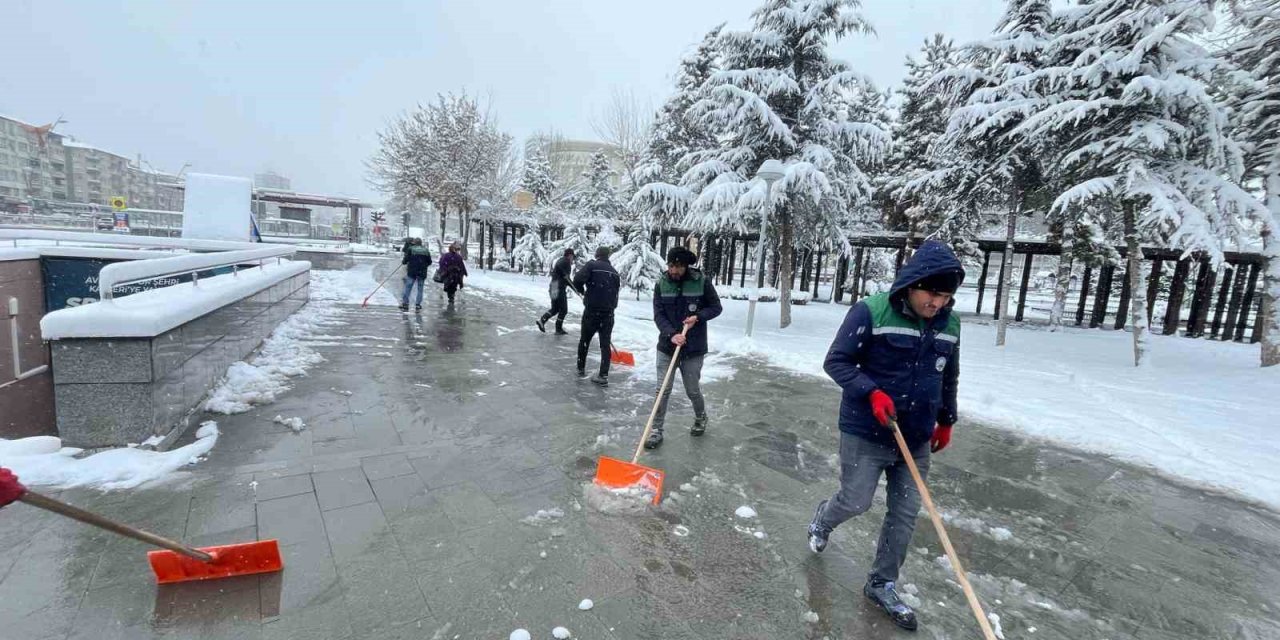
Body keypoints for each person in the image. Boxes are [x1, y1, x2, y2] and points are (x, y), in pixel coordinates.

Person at [806, 239, 964, 631]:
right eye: (932, 293)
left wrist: (946, 419)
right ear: (912, 284)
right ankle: (823, 520)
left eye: (945, 297)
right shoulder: (871, 311)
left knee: (905, 514)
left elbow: (948, 374)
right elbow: (837, 361)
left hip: (915, 436)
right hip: (867, 431)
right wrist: (871, 391)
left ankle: (882, 582)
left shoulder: (950, 323)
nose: (937, 303)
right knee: (856, 501)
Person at [645, 246, 722, 449]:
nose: (674, 271)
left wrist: (699, 317)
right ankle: (656, 430)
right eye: (671, 266)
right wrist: (672, 334)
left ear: (686, 266)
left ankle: (700, 417)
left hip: (693, 349)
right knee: (662, 390)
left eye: (678, 267)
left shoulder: (701, 282)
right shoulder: (661, 284)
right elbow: (658, 314)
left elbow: (716, 307)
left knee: (692, 390)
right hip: (666, 347)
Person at [572, 246, 621, 385]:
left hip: (592, 311)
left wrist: (583, 292)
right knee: (605, 344)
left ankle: (581, 368)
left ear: (597, 254)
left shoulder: (592, 265)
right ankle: (603, 375)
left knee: (585, 340)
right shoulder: (615, 272)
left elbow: (577, 280)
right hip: (608, 314)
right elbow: (615, 295)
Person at [537, 248, 578, 335]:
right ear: (569, 255)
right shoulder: (566, 262)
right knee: (563, 310)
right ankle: (558, 329)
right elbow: (567, 279)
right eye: (572, 257)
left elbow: (562, 274)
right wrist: (575, 289)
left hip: (553, 286)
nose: (572, 259)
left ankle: (542, 320)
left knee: (555, 309)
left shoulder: (560, 261)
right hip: (559, 288)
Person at [399, 238, 432, 312]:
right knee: (420, 289)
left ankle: (405, 303)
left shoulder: (411, 249)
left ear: (415, 243)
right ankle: (418, 304)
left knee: (408, 287)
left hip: (412, 272)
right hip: (422, 273)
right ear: (421, 243)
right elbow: (429, 262)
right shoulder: (426, 250)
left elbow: (405, 260)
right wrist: (423, 265)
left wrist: (405, 262)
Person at [438, 240, 468, 305]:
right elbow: (461, 265)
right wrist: (464, 272)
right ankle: (452, 297)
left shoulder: (445, 256)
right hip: (455, 275)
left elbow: (441, 263)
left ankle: (450, 297)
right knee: (454, 286)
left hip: (448, 274)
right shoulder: (458, 256)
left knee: (448, 285)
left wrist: (443, 270)